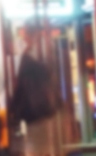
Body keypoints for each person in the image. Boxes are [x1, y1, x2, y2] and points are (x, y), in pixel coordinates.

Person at [8, 28, 59, 156]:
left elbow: (21, 88)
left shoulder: (28, 60)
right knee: (42, 148)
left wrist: (13, 109)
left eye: (25, 37)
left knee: (36, 148)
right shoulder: (40, 60)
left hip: (34, 114)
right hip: (42, 112)